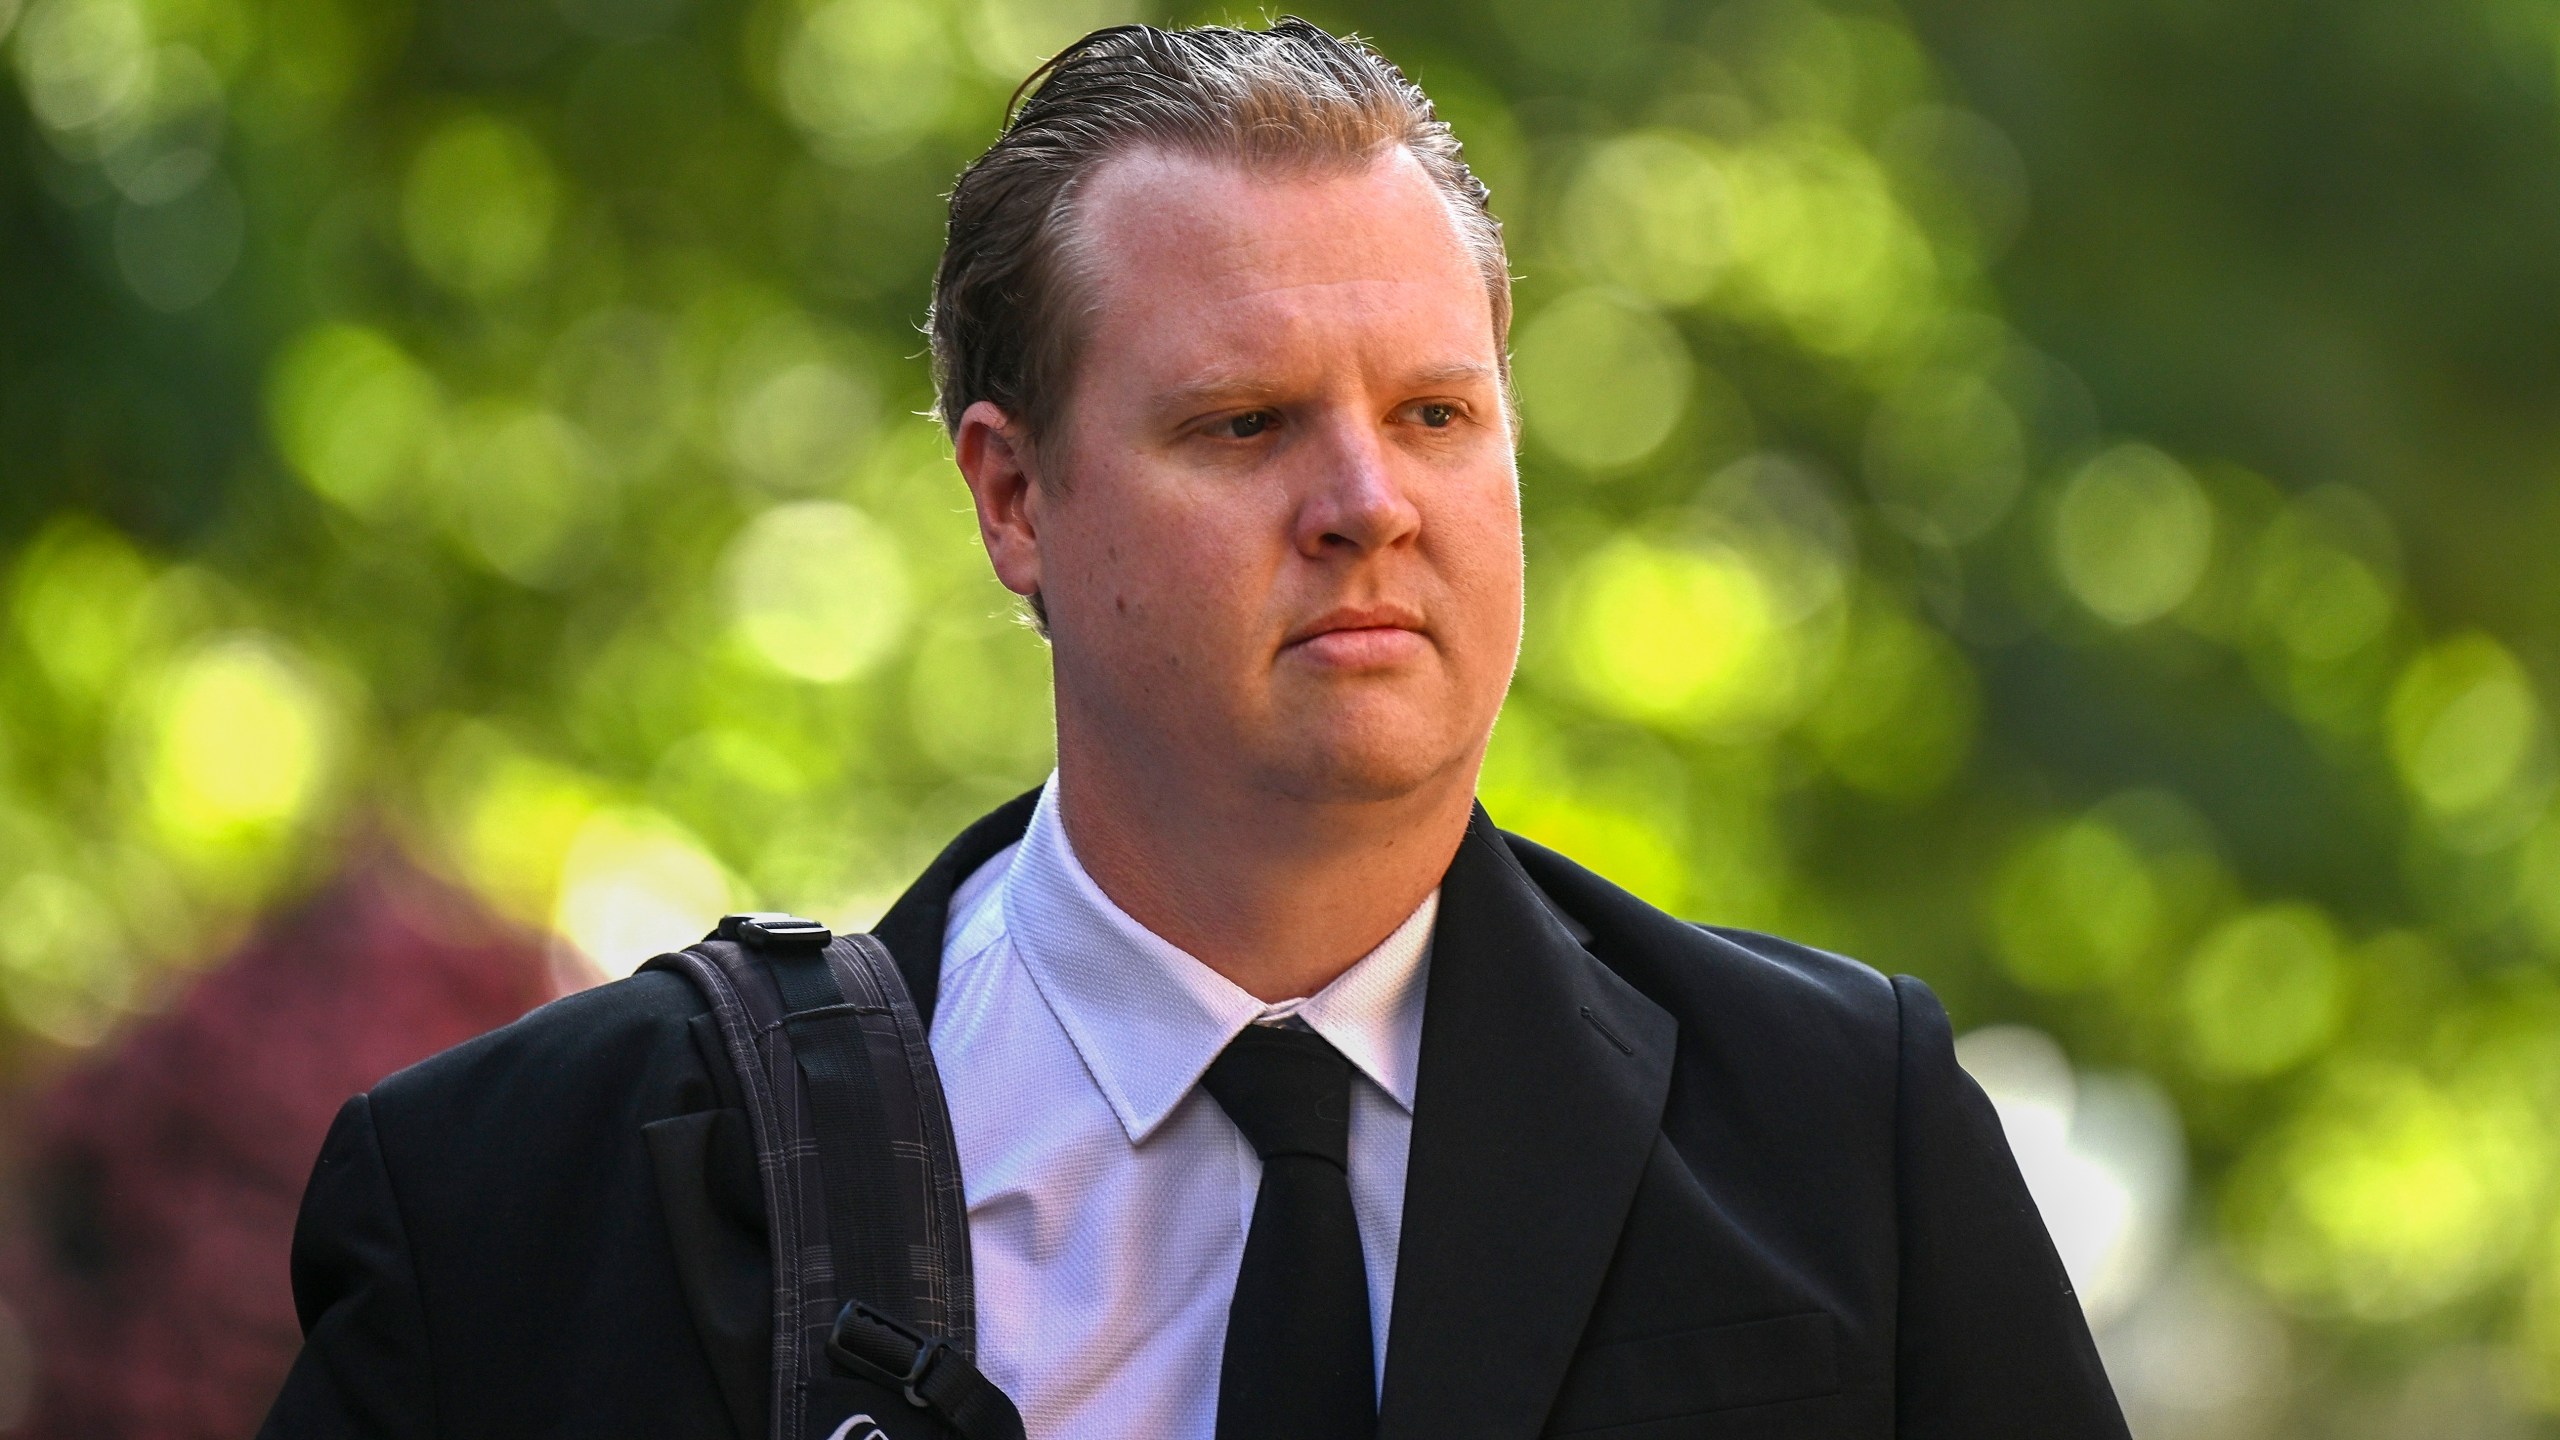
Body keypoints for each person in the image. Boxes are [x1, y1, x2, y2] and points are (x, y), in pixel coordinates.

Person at [261, 20, 2129, 1440]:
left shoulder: (1836, 1132)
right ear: (1013, 502)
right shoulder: (521, 1200)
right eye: (1245, 424)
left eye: (1433, 416)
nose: (1365, 503)